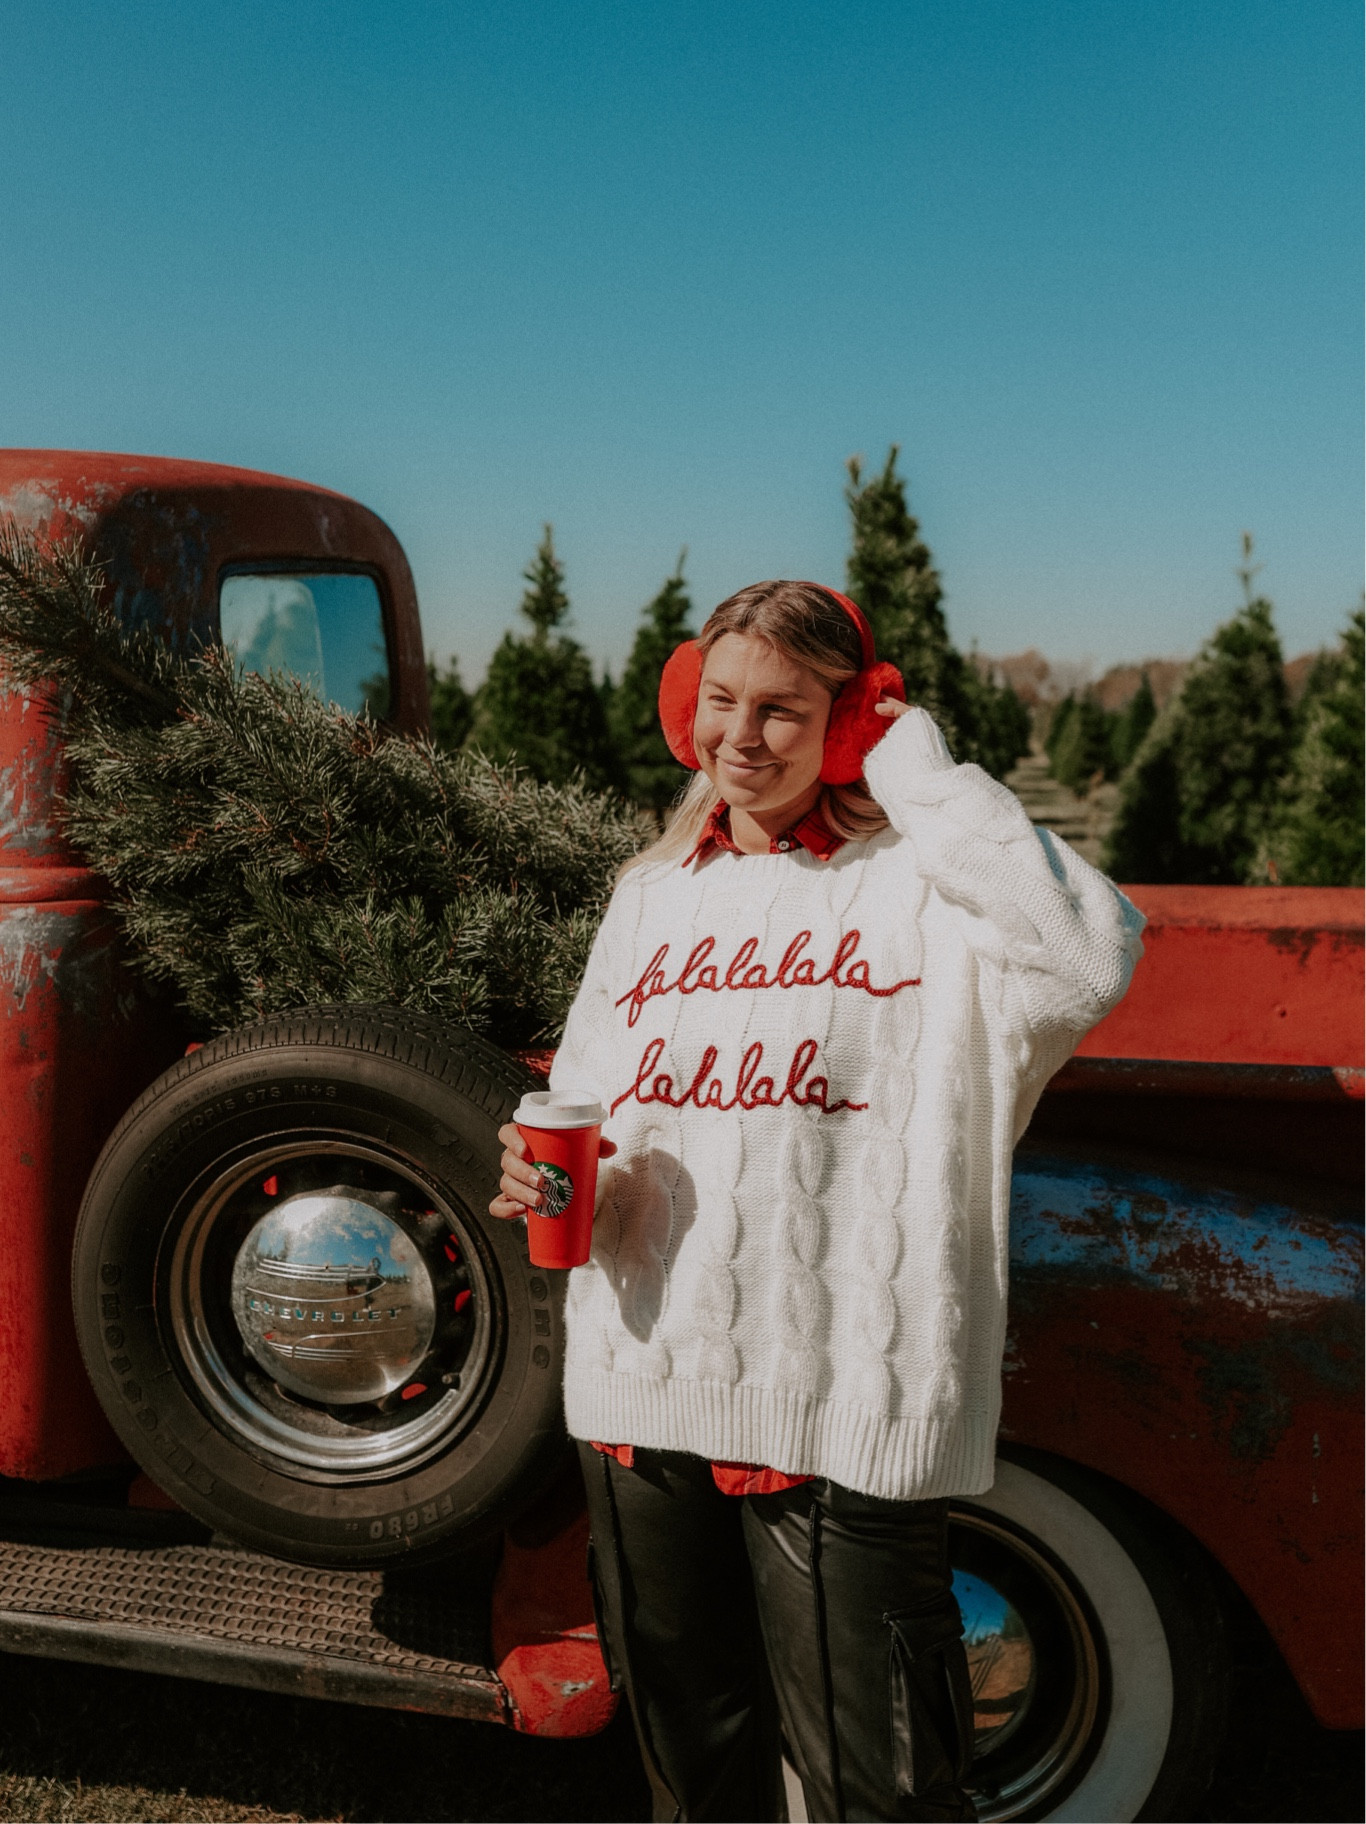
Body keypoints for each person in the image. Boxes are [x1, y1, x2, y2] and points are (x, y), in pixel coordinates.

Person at [491, 580, 1143, 1823]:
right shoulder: (652, 897)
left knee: (882, 1796)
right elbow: (587, 1102)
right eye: (721, 702)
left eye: (787, 710)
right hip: (642, 1383)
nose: (743, 736)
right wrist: (537, 1167)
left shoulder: (929, 901)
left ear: (846, 723)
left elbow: (1089, 951)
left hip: (842, 1402)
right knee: (696, 1779)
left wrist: (905, 752)